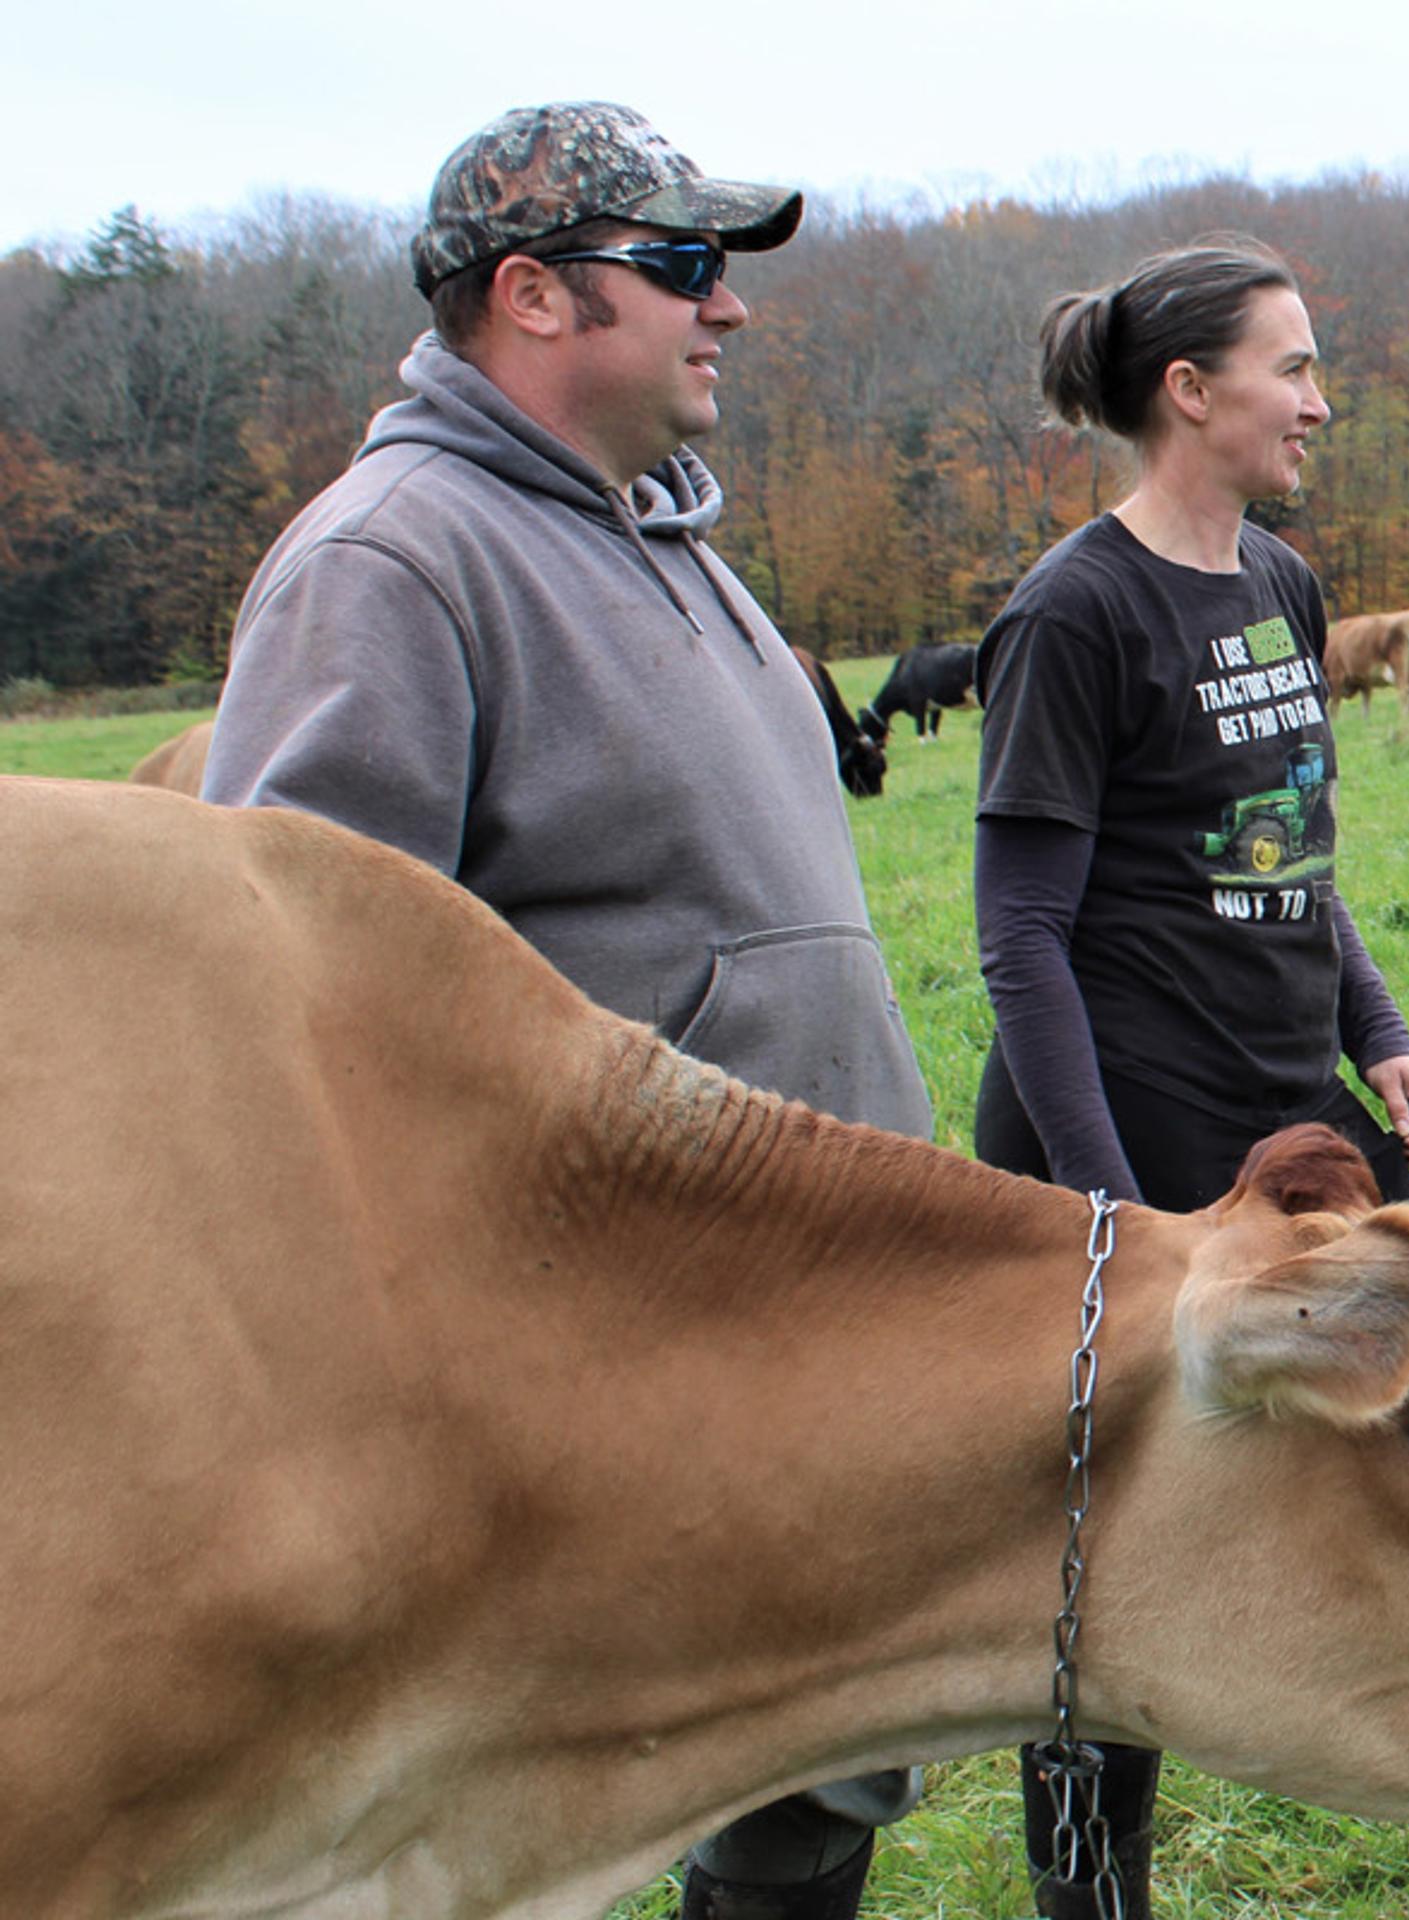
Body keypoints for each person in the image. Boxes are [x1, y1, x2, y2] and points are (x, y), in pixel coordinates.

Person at [200, 102, 933, 1920]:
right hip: (624, 1328)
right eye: (682, 267)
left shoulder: (673, 541)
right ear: (531, 296)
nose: (727, 309)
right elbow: (284, 1009)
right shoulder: (393, 562)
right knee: (623, 1786)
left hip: (808, 1287)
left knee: (819, 1753)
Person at [971, 240, 1409, 1919]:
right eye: (1292, 368)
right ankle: (1094, 1889)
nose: (1319, 399)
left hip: (1297, 1107)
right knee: (1107, 1538)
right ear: (1190, 392)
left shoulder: (1283, 584)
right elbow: (1020, 939)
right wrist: (1114, 1210)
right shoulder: (1072, 614)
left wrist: (1377, 1030)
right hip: (1124, 1129)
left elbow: (1295, 856)